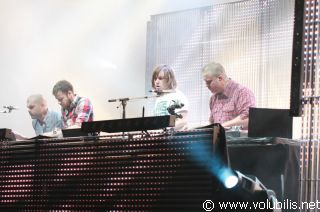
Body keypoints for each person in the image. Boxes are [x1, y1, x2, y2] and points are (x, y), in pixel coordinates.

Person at [201, 62, 255, 129]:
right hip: (219, 139)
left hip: (237, 139)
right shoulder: (213, 99)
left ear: (220, 78)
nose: (206, 85)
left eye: (209, 82)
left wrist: (221, 127)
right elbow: (212, 123)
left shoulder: (242, 92)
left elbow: (248, 118)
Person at [151, 64, 189, 130]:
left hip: (174, 138)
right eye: (155, 78)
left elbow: (182, 121)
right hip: (161, 137)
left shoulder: (177, 95)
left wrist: (166, 130)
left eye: (160, 78)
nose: (156, 81)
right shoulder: (159, 98)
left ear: (169, 80)